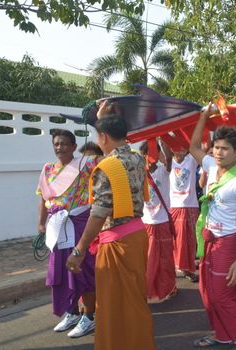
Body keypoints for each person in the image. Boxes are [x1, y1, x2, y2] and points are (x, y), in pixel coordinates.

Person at [66, 115, 156, 350]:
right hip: (137, 234)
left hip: (117, 242)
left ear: (103, 137)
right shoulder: (137, 158)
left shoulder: (106, 167)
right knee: (135, 299)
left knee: (112, 306)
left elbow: (99, 213)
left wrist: (80, 249)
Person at [189, 103, 236, 350]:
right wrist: (204, 117)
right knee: (207, 294)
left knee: (222, 295)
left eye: (225, 149)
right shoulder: (210, 167)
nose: (218, 152)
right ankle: (222, 333)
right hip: (208, 239)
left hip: (228, 242)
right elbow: (193, 147)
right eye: (216, 147)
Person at [37, 129, 99, 338]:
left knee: (83, 272)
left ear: (74, 146)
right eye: (56, 144)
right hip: (57, 227)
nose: (59, 147)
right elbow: (42, 199)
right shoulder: (47, 170)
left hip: (79, 225)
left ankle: (90, 316)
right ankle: (72, 311)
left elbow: (108, 161)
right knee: (62, 272)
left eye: (64, 144)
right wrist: (41, 223)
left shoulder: (86, 164)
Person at [140, 140, 178, 302]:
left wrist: (161, 138)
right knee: (148, 260)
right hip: (146, 223)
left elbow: (169, 156)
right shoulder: (139, 173)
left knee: (165, 259)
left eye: (153, 152)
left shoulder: (164, 171)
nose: (150, 156)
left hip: (162, 222)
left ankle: (169, 287)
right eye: (147, 153)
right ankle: (148, 289)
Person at [169, 146, 200, 282]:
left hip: (190, 206)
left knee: (190, 241)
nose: (179, 149)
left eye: (182, 146)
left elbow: (203, 145)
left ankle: (189, 268)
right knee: (175, 241)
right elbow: (162, 142)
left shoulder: (191, 160)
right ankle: (176, 267)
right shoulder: (168, 163)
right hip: (174, 207)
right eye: (175, 146)